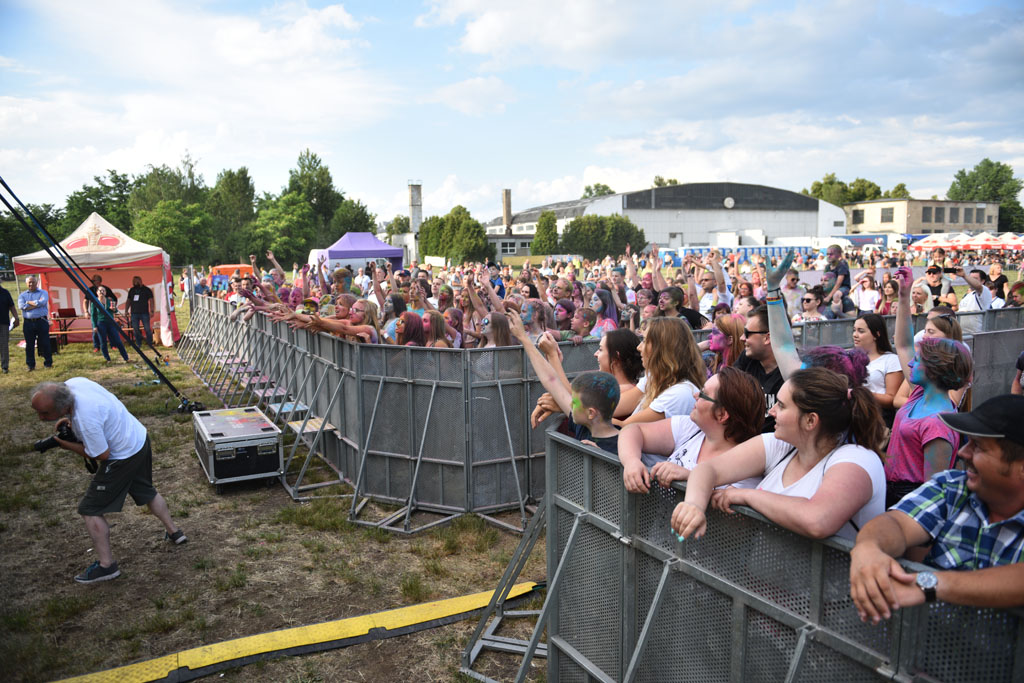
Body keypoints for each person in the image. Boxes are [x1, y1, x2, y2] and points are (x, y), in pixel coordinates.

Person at [849, 395, 1024, 621]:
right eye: (967, 441)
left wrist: (928, 584)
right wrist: (869, 547)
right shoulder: (952, 487)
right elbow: (897, 524)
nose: (963, 453)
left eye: (978, 447)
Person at [670, 367, 887, 542]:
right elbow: (708, 469)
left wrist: (748, 495)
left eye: (781, 406)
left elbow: (817, 520)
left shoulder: (857, 458)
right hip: (761, 590)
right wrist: (694, 505)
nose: (772, 412)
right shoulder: (780, 444)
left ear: (810, 421)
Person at [30, 379, 187, 584]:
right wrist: (68, 419)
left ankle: (107, 566)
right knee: (146, 491)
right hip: (138, 438)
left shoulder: (86, 419)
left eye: (45, 413)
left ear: (61, 406)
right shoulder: (75, 383)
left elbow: (101, 454)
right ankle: (175, 532)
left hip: (122, 456)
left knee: (90, 509)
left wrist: (64, 444)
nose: (41, 417)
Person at [886, 267, 973, 507]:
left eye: (919, 358)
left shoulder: (938, 421)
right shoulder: (918, 394)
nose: (911, 361)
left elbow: (932, 493)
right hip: (892, 490)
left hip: (911, 497)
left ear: (936, 367)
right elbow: (902, 345)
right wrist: (904, 296)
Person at [618, 366, 766, 493]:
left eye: (703, 394)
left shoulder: (747, 468)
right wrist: (631, 461)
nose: (695, 395)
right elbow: (633, 430)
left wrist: (693, 477)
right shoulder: (691, 428)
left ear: (722, 414)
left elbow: (731, 518)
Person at [509, 310, 620, 452]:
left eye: (573, 402)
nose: (565, 404)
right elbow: (551, 380)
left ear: (591, 413)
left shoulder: (621, 448)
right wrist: (524, 338)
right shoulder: (586, 425)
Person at [616, 317, 706, 426]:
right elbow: (619, 406)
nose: (639, 347)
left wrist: (591, 416)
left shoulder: (679, 393)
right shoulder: (655, 377)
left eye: (644, 341)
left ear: (661, 349)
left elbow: (625, 428)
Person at [734, 305, 783, 431]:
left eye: (747, 333)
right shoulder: (747, 358)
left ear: (767, 338)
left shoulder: (793, 371)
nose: (741, 338)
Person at [853, 313, 901, 417]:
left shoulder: (891, 360)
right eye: (854, 330)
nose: (855, 334)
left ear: (876, 334)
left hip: (877, 417)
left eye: (861, 331)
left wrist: (861, 393)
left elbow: (891, 399)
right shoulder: (850, 357)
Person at [18, 275, 53, 371]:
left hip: (41, 321)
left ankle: (48, 363)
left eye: (33, 282)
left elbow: (42, 303)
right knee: (29, 345)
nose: (31, 284)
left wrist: (28, 302)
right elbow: (22, 306)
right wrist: (35, 304)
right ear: (26, 283)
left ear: (36, 283)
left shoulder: (43, 292)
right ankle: (30, 365)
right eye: (29, 282)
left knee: (45, 342)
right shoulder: (22, 295)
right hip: (28, 323)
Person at [125, 275, 155, 346]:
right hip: (134, 313)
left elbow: (151, 300)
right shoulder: (132, 290)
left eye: (136, 281)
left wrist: (152, 310)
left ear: (140, 281)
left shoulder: (147, 290)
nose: (135, 283)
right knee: (136, 329)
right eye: (134, 281)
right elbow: (128, 301)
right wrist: (126, 310)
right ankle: (139, 343)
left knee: (147, 329)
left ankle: (150, 342)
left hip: (144, 313)